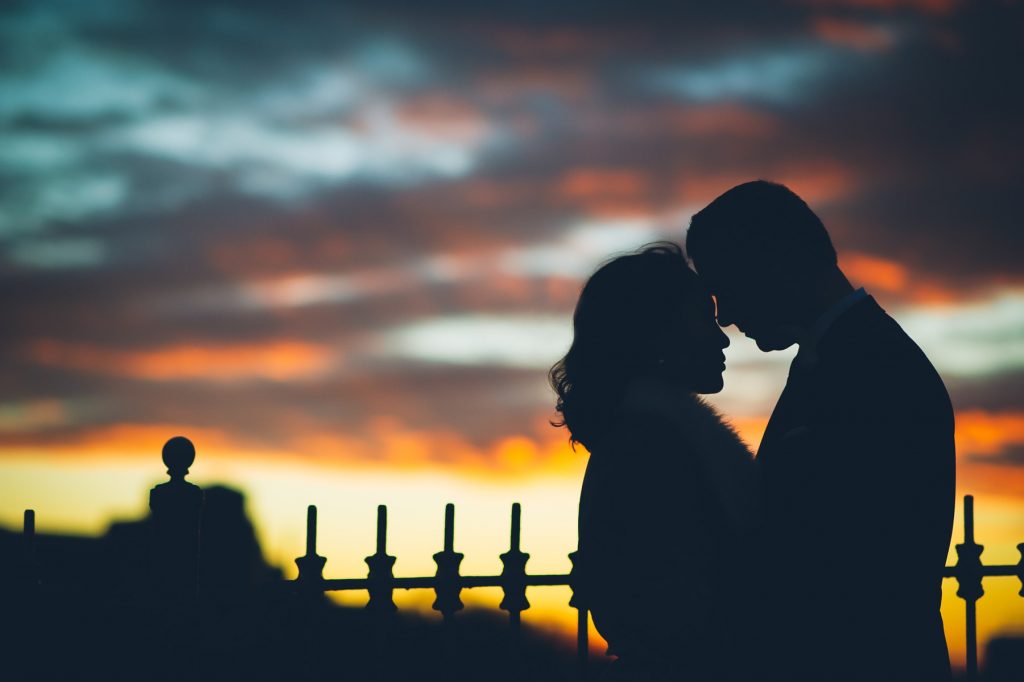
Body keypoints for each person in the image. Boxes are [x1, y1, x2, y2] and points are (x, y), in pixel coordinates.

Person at [686, 180, 956, 681]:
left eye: (725, 284)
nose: (724, 316)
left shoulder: (872, 369)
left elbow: (849, 568)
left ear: (774, 260)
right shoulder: (848, 357)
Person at [551, 243, 759, 681]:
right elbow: (675, 611)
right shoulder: (648, 448)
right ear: (655, 332)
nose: (722, 336)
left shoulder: (648, 437)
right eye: (702, 316)